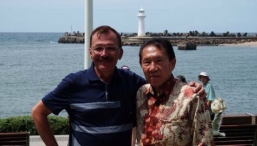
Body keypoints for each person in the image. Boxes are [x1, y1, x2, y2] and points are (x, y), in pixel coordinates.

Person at [31, 25, 205, 146]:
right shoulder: (73, 83)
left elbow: (160, 86)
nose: (104, 54)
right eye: (98, 48)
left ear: (120, 53)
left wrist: (190, 88)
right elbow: (38, 113)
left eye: (111, 48)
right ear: (90, 53)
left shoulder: (132, 83)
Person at [136, 39, 214, 146]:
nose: (152, 68)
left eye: (159, 61)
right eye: (147, 62)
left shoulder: (191, 97)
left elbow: (204, 142)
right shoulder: (141, 94)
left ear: (172, 63)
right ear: (141, 65)